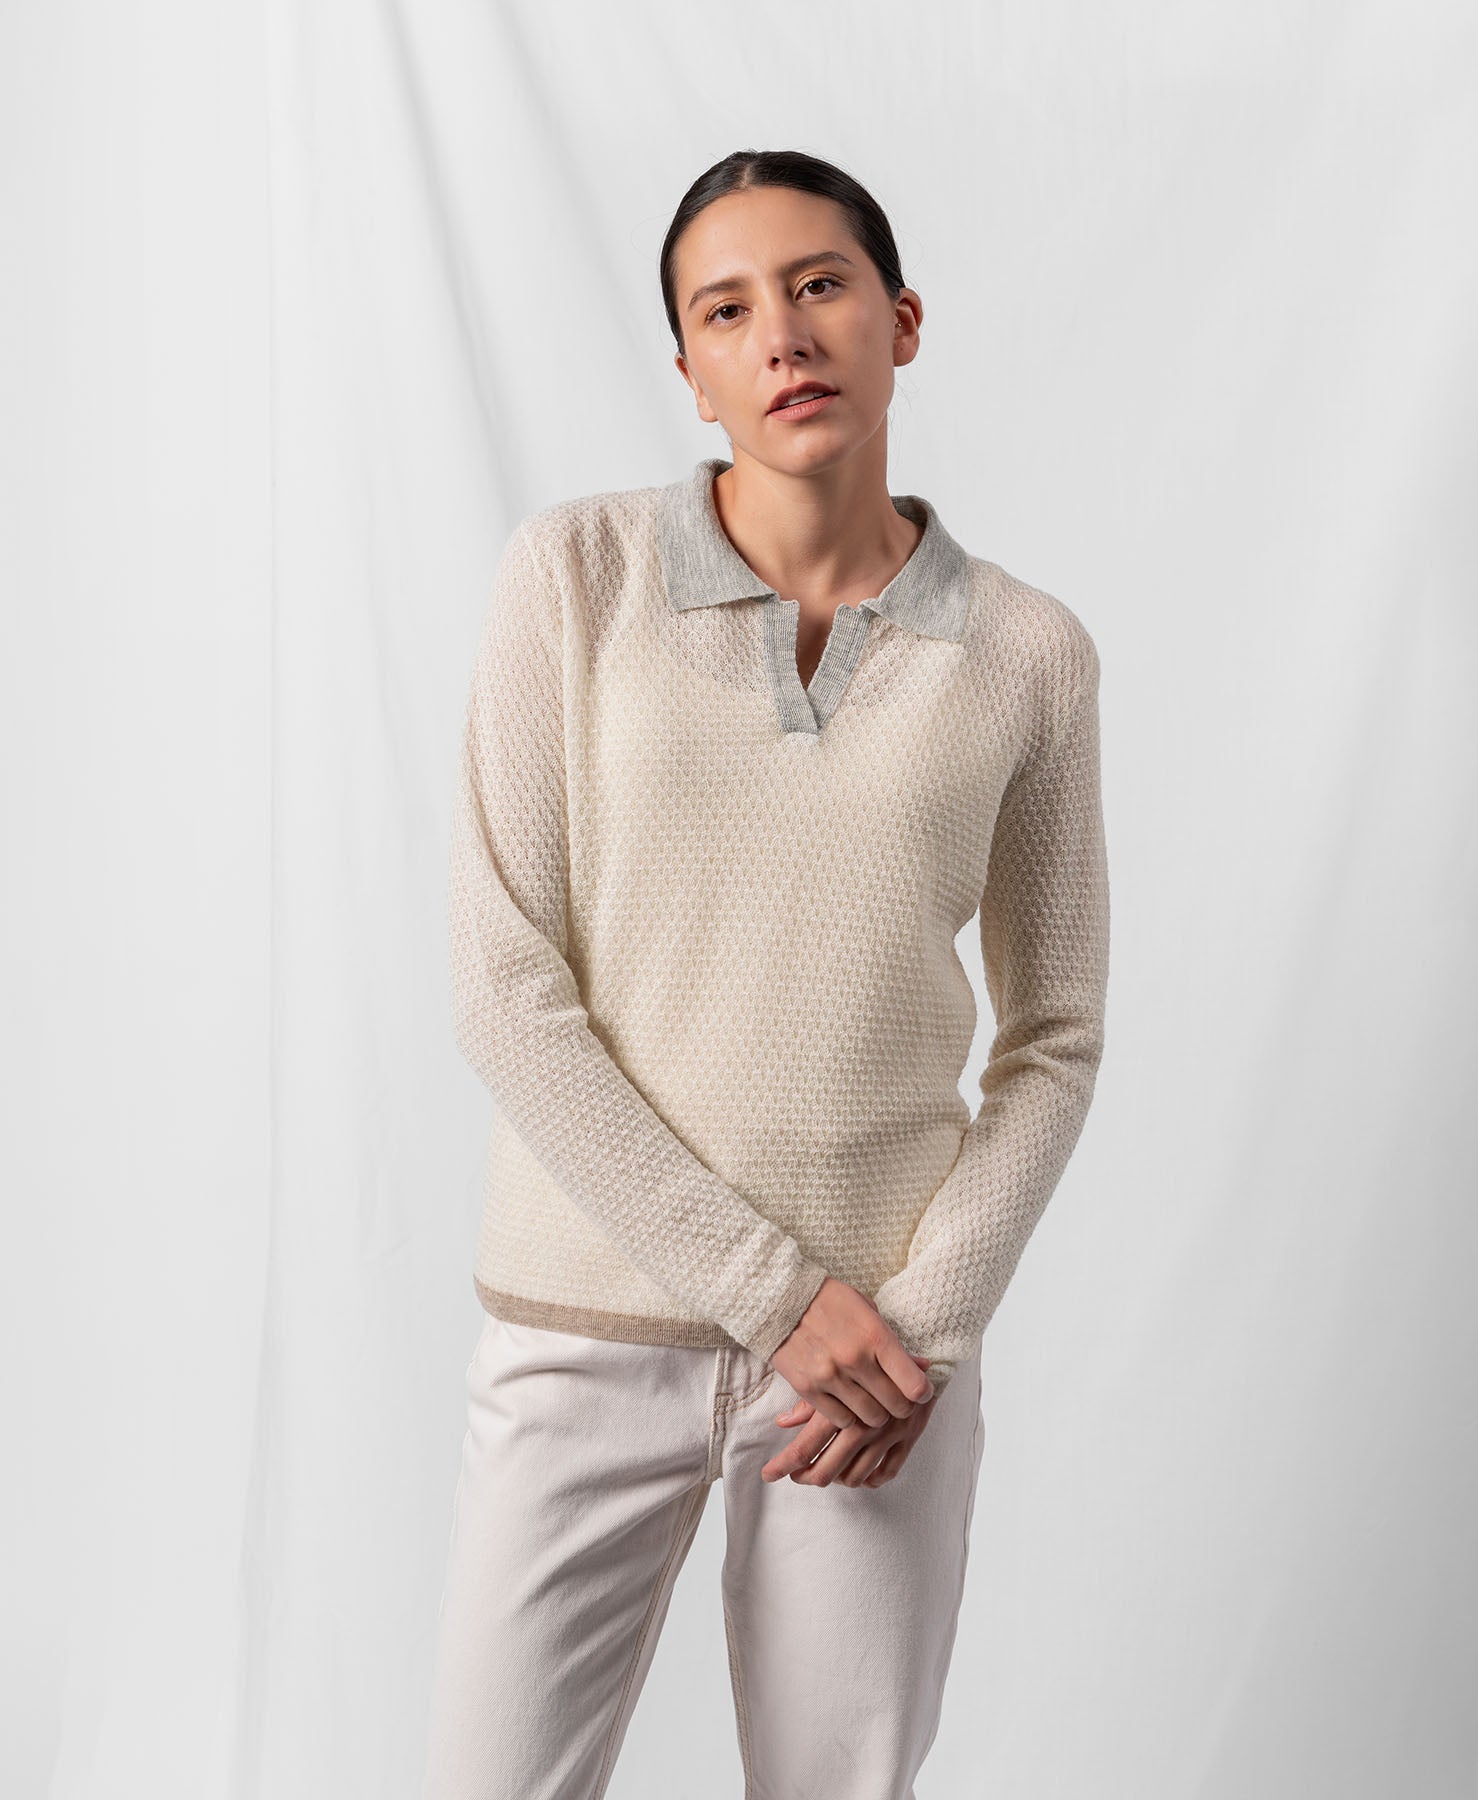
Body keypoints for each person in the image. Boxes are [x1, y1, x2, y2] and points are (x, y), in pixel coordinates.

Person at [421, 147, 1110, 1800]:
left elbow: (1054, 1037)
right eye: (725, 310)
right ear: (690, 369)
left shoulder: (1026, 653)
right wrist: (776, 1298)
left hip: (873, 1361)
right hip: (591, 1322)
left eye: (817, 286)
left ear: (900, 320)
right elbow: (504, 984)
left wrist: (920, 1327)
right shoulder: (572, 579)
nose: (782, 334)